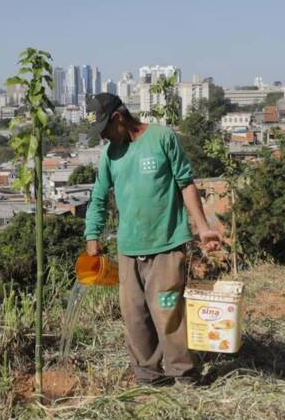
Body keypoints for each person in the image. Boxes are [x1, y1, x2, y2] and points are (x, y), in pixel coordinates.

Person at [84, 93, 221, 385]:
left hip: (167, 244)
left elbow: (185, 183)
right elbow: (98, 197)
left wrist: (202, 226)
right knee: (135, 317)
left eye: (105, 130)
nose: (103, 137)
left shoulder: (161, 138)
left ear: (119, 118)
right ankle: (149, 378)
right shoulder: (110, 155)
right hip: (129, 248)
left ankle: (183, 375)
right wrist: (92, 235)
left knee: (168, 312)